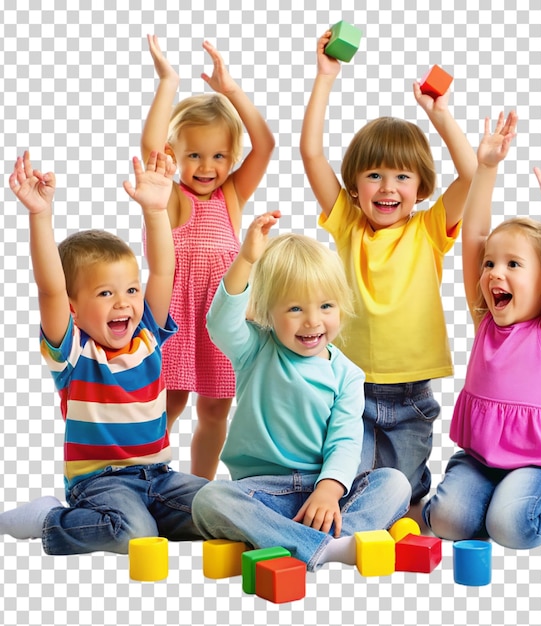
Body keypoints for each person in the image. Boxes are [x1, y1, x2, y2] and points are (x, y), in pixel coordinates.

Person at [421, 113, 541, 548]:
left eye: (513, 265)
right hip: (479, 460)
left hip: (535, 463)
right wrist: (486, 167)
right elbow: (473, 236)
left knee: (510, 529)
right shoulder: (486, 320)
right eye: (492, 264)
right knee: (447, 522)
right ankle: (495, 500)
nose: (494, 273)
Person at [299, 30, 477, 512]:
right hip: (349, 388)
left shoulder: (430, 228)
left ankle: (412, 505)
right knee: (347, 483)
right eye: (374, 174)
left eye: (402, 176)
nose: (387, 187)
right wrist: (325, 78)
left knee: (402, 489)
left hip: (411, 395)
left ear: (420, 187)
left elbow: (473, 174)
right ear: (354, 186)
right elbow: (311, 153)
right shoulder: (347, 223)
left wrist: (438, 114)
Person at [0, 150, 209, 554]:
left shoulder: (147, 333)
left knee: (221, 506)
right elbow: (50, 288)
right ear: (74, 308)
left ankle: (156, 516)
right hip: (100, 482)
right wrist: (40, 216)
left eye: (131, 290)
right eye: (105, 293)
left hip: (160, 477)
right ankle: (48, 519)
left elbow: (164, 270)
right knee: (134, 535)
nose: (124, 303)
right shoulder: (74, 354)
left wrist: (155, 209)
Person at [190, 211, 411, 571]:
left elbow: (344, 442)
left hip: (324, 492)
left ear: (342, 306)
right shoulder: (255, 349)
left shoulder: (347, 375)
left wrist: (329, 490)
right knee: (209, 498)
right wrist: (245, 259)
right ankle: (324, 547)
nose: (313, 321)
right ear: (266, 313)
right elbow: (219, 322)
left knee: (395, 483)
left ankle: (320, 539)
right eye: (295, 308)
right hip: (264, 493)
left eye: (326, 306)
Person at [142, 34, 275, 479]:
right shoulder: (174, 197)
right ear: (175, 156)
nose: (206, 166)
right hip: (178, 315)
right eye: (194, 155)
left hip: (222, 315)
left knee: (216, 406)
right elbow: (149, 149)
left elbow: (266, 145)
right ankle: (143, 471)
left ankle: (199, 488)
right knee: (170, 400)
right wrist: (169, 82)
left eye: (219, 156)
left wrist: (230, 90)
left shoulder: (231, 195)